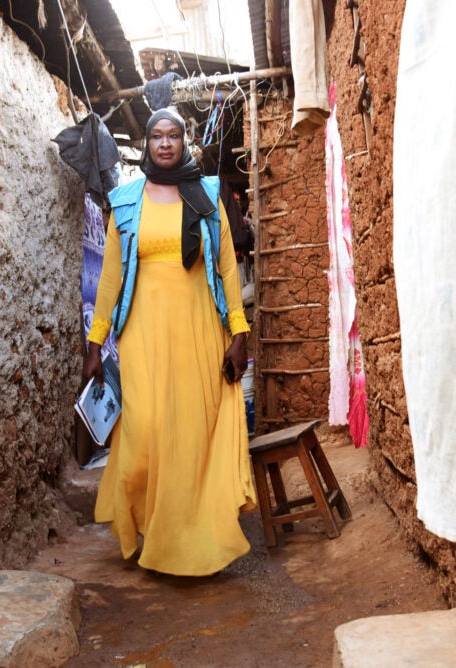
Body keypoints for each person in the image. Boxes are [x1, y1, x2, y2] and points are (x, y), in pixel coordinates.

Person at [82, 108, 257, 576]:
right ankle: (150, 523)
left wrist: (239, 333)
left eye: (173, 135)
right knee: (147, 431)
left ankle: (188, 539)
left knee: (192, 431)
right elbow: (111, 279)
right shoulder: (124, 201)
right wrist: (95, 344)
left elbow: (224, 265)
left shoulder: (208, 194)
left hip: (200, 327)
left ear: (185, 141)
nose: (164, 143)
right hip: (142, 335)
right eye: (156, 135)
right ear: (147, 143)